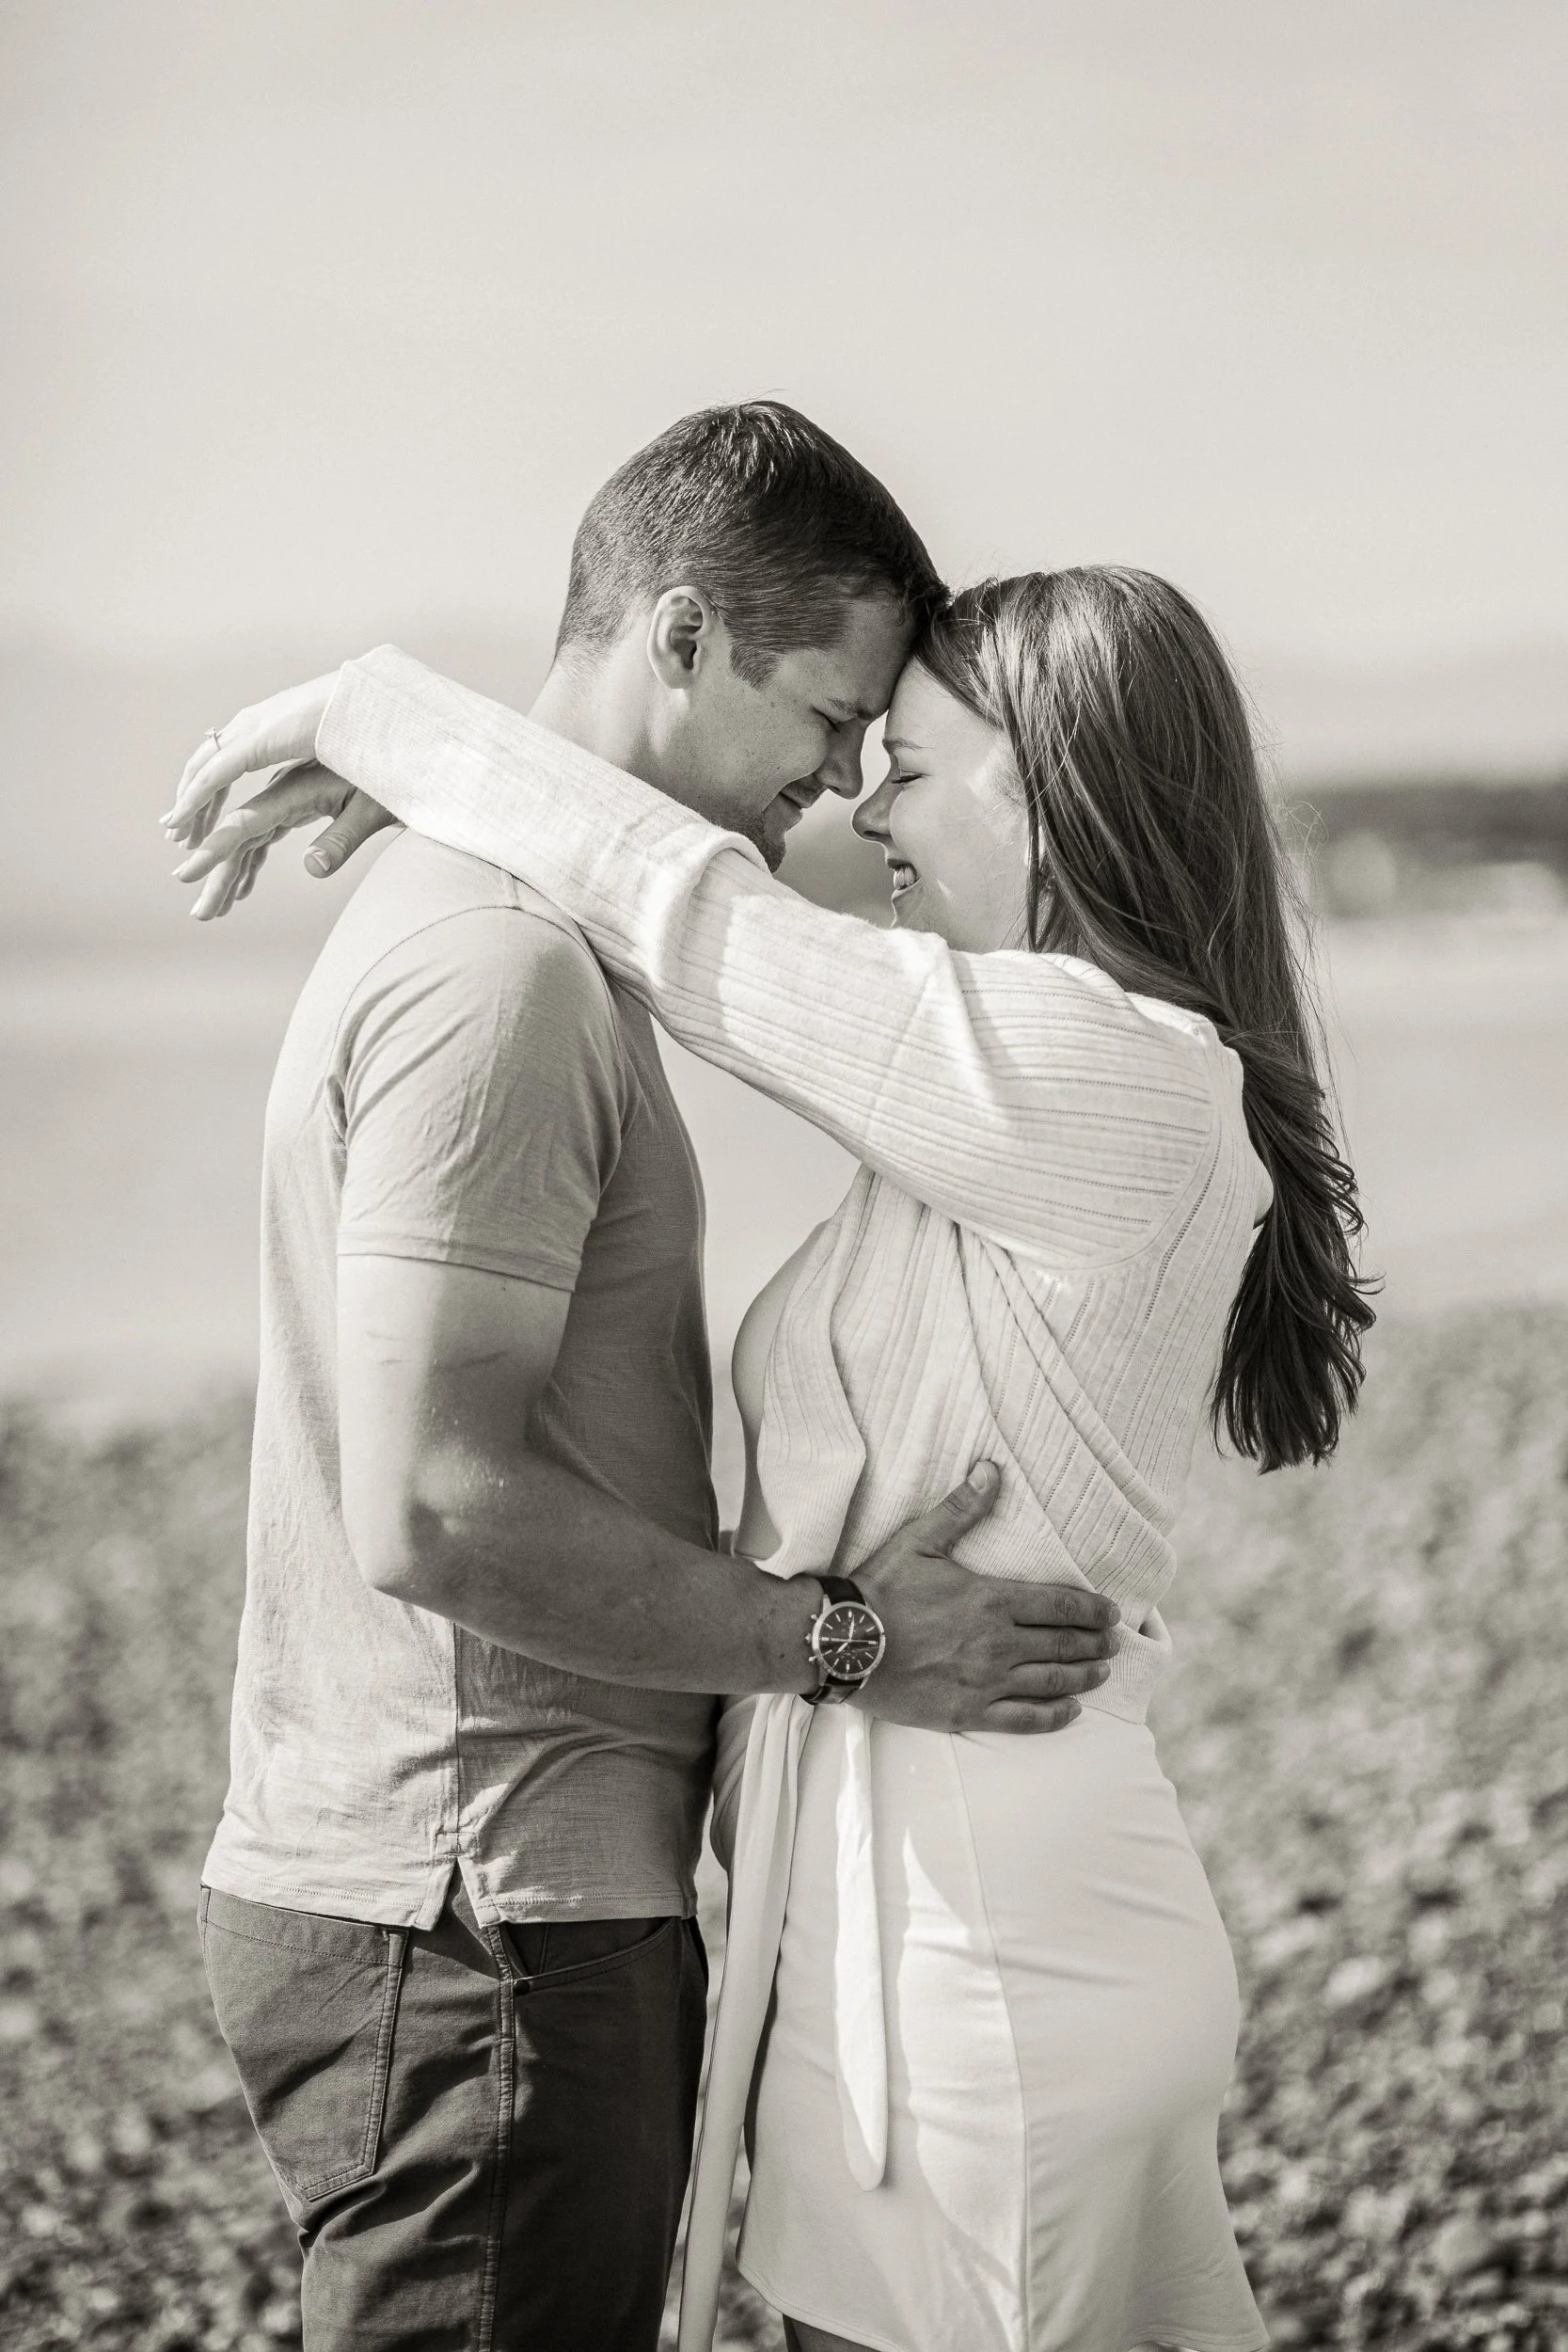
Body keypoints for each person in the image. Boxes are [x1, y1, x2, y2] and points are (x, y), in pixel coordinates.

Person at [164, 405, 1122, 2352]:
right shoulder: (500, 972)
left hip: (479, 1906)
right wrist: (847, 1638)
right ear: (677, 634)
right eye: (827, 716)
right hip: (473, 1915)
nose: (839, 785)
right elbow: (430, 1500)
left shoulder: (527, 938)